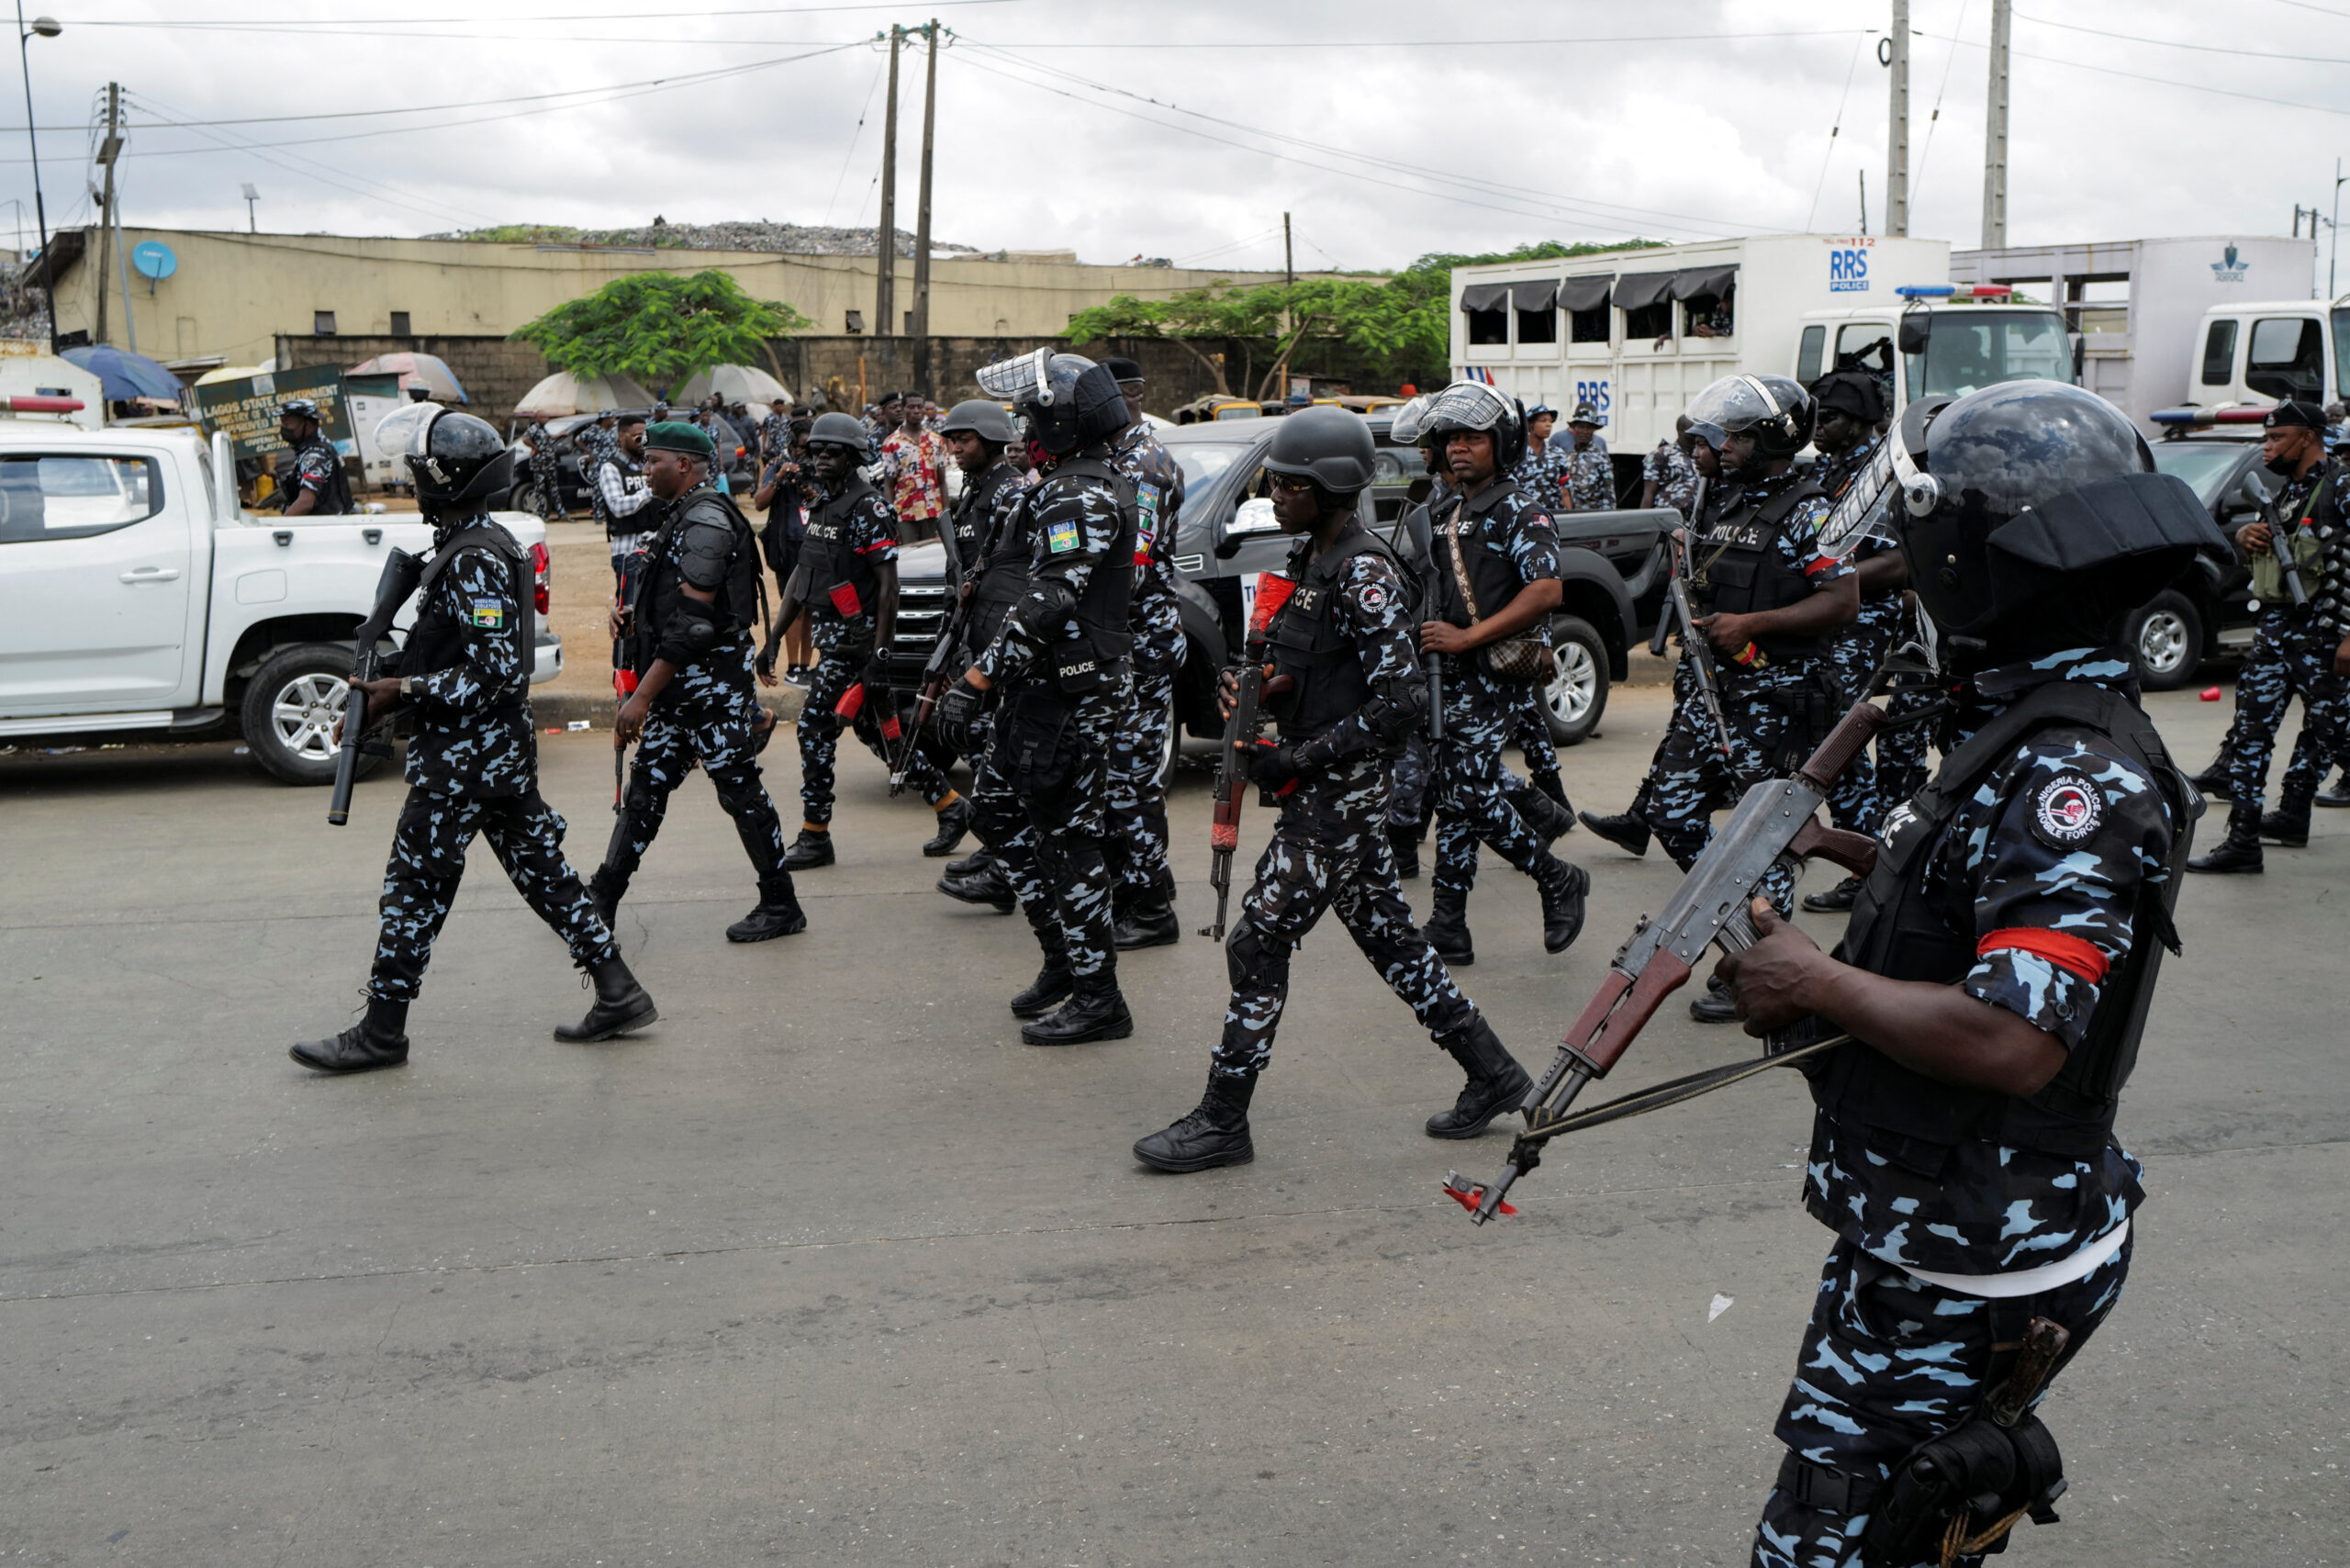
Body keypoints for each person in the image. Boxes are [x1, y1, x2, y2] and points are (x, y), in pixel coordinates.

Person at [1718, 379, 2215, 1568]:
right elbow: (1972, 892)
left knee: (1837, 1551)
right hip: (1929, 1233)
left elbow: (2014, 1038)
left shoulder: (2073, 776)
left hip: (1978, 1256)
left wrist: (1810, 981)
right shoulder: (2022, 723)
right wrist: (1841, 847)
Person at [1132, 408, 1534, 1172]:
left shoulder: (1364, 572)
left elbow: (1402, 701)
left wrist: (1302, 757)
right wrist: (1259, 691)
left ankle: (1223, 1120)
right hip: (1317, 783)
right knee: (1391, 940)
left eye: (1291, 483)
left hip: (1338, 796)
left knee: (1257, 938)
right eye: (1275, 480)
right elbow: (1317, 669)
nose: (1276, 493)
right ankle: (1493, 1072)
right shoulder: (1308, 557)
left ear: (1332, 488)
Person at [289, 410, 653, 1073]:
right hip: (491, 758)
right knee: (547, 878)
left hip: (464, 761)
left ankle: (381, 1032)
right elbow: (449, 649)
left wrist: (403, 694)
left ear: (445, 484)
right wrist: (387, 686)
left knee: (413, 892)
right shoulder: (470, 542)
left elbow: (495, 672)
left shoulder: (476, 557)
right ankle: (619, 990)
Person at [1580, 374, 1858, 1023]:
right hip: (1712, 694)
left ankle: (1767, 965)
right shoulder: (1718, 498)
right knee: (1674, 815)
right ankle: (1745, 922)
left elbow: (1841, 601)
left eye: (1734, 436)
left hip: (1778, 694)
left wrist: (1753, 626)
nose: (1718, 447)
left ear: (1772, 438)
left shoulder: (1809, 508)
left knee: (1764, 840)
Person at [932, 350, 1138, 1046]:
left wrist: (980, 679)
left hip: (1070, 694)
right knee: (994, 809)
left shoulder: (1079, 492)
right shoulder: (1060, 484)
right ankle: (1062, 958)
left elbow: (1050, 601)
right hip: (1040, 689)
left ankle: (1099, 996)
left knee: (1069, 839)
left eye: (1029, 415)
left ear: (1061, 418)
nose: (1021, 427)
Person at [587, 421, 803, 943]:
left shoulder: (705, 519)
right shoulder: (683, 514)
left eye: (652, 460)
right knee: (645, 792)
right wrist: (634, 615)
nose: (644, 469)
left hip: (709, 690)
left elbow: (696, 625)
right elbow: (678, 603)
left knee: (740, 793)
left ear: (683, 466)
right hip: (682, 688)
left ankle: (781, 904)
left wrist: (641, 696)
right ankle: (602, 897)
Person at [1414, 380, 1591, 966]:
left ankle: (1555, 876)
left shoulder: (1519, 507)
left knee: (1464, 789)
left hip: (1491, 675)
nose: (1458, 448)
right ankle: (1449, 924)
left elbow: (1546, 589)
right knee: (1455, 795)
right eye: (1451, 439)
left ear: (1502, 442)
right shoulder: (1443, 508)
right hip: (1445, 674)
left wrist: (1468, 637)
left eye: (1473, 438)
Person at [758, 412, 968, 867]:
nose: (822, 458)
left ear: (854, 457)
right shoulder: (822, 504)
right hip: (833, 640)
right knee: (879, 731)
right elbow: (802, 576)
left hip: (859, 644)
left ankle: (816, 834)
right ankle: (950, 807)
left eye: (833, 451)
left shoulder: (869, 507)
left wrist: (881, 655)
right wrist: (774, 638)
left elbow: (889, 587)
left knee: (815, 727)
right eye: (816, 451)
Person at [2188, 398, 2350, 872]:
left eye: (2278, 438)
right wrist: (2245, 538)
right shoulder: (2288, 493)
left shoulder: (2340, 485)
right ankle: (2242, 842)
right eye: (2267, 437)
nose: (2268, 447)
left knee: (2339, 737)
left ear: (2308, 438)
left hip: (2323, 638)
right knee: (2250, 735)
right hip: (2275, 635)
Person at [935, 401, 1054, 922]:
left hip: (1004, 649)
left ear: (990, 438)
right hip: (978, 636)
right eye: (951, 441)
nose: (955, 449)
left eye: (964, 440)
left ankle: (1010, 869)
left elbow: (1023, 579)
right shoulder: (977, 491)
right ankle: (998, 852)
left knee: (997, 762)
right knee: (984, 754)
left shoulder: (1011, 492)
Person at [1799, 368, 1905, 913]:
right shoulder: (1826, 468)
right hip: (1829, 623)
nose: (1820, 425)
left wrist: (1833, 579)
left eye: (1832, 417)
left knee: (1842, 743)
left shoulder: (1877, 475)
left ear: (1861, 422)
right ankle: (1869, 862)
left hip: (1863, 623)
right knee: (1832, 739)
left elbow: (1897, 561)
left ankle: (1868, 867)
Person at [1101, 356, 1188, 949]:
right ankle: (1143, 880)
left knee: (1131, 778)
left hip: (1142, 641)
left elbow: (1132, 566)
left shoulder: (1144, 464)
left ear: (1125, 397)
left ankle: (1152, 908)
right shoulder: (1120, 457)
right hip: (1128, 640)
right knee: (1119, 774)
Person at [593, 413, 655, 588]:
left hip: (655, 550)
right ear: (622, 437)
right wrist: (650, 490)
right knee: (629, 610)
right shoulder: (611, 469)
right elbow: (617, 506)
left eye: (646, 437)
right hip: (628, 552)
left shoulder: (651, 467)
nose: (643, 442)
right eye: (638, 437)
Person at [263, 398, 353, 517]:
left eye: (288, 424)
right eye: (282, 424)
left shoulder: (315, 455)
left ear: (309, 423)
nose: (284, 429)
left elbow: (306, 502)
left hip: (323, 528)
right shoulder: (312, 447)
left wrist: (282, 526)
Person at [881, 397, 947, 543]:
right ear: (904, 409)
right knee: (909, 558)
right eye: (911, 407)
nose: (916, 411)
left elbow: (942, 481)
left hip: (933, 512)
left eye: (919, 407)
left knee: (933, 558)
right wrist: (891, 520)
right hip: (904, 514)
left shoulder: (936, 441)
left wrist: (946, 514)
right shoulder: (891, 443)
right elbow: (889, 485)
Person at [1639, 416, 1700, 512]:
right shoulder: (1660, 455)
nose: (1696, 435)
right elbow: (1649, 493)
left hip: (1694, 519)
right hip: (1667, 517)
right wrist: (1644, 523)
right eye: (1693, 431)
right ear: (1681, 430)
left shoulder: (1699, 455)